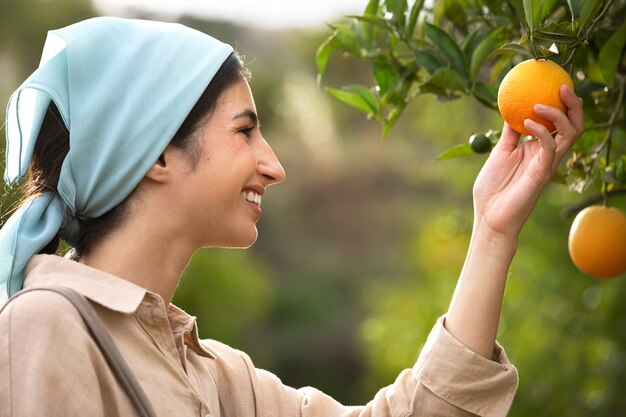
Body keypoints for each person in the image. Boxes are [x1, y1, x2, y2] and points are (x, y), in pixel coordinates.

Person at [0, 16, 583, 417]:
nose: (274, 165)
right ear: (154, 153)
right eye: (245, 130)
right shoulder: (49, 326)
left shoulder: (216, 378)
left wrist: (493, 228)